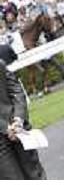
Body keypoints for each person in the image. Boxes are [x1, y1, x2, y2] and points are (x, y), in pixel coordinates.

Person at [0, 44, 47, 180]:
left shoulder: (0, 64)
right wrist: (5, 128)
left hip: (18, 129)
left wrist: (19, 119)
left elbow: (17, 90)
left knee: (36, 175)